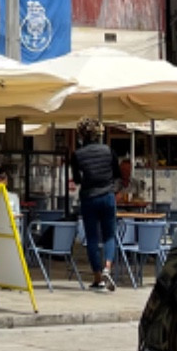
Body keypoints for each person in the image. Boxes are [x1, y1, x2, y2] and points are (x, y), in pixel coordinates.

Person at [70, 118, 121, 292]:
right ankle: (108, 266)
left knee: (92, 238)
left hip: (89, 197)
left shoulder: (78, 154)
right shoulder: (108, 151)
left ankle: (97, 277)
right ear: (99, 134)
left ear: (82, 135)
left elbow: (77, 179)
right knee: (109, 236)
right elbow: (117, 174)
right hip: (107, 195)